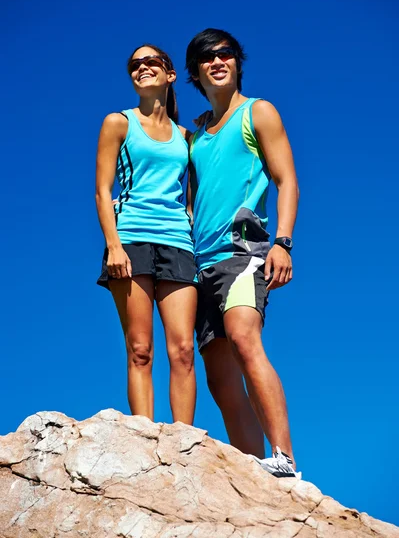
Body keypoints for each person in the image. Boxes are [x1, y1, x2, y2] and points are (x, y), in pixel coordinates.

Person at [186, 29, 300, 477]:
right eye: (207, 57)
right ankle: (257, 472)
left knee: (244, 336)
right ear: (195, 72)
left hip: (244, 251)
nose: (218, 61)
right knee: (218, 377)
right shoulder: (195, 137)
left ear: (237, 61)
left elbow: (286, 179)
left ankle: (284, 458)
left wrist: (283, 242)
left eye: (226, 53)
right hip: (200, 263)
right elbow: (193, 201)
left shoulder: (258, 112)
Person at [96, 44, 197, 425]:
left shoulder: (187, 137)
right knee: (140, 349)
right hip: (131, 240)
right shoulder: (118, 123)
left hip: (178, 245)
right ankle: (144, 436)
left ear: (170, 75)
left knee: (183, 350)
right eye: (135, 65)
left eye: (151, 61)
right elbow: (102, 191)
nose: (142, 67)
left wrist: (187, 223)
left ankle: (185, 443)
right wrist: (113, 246)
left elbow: (192, 198)